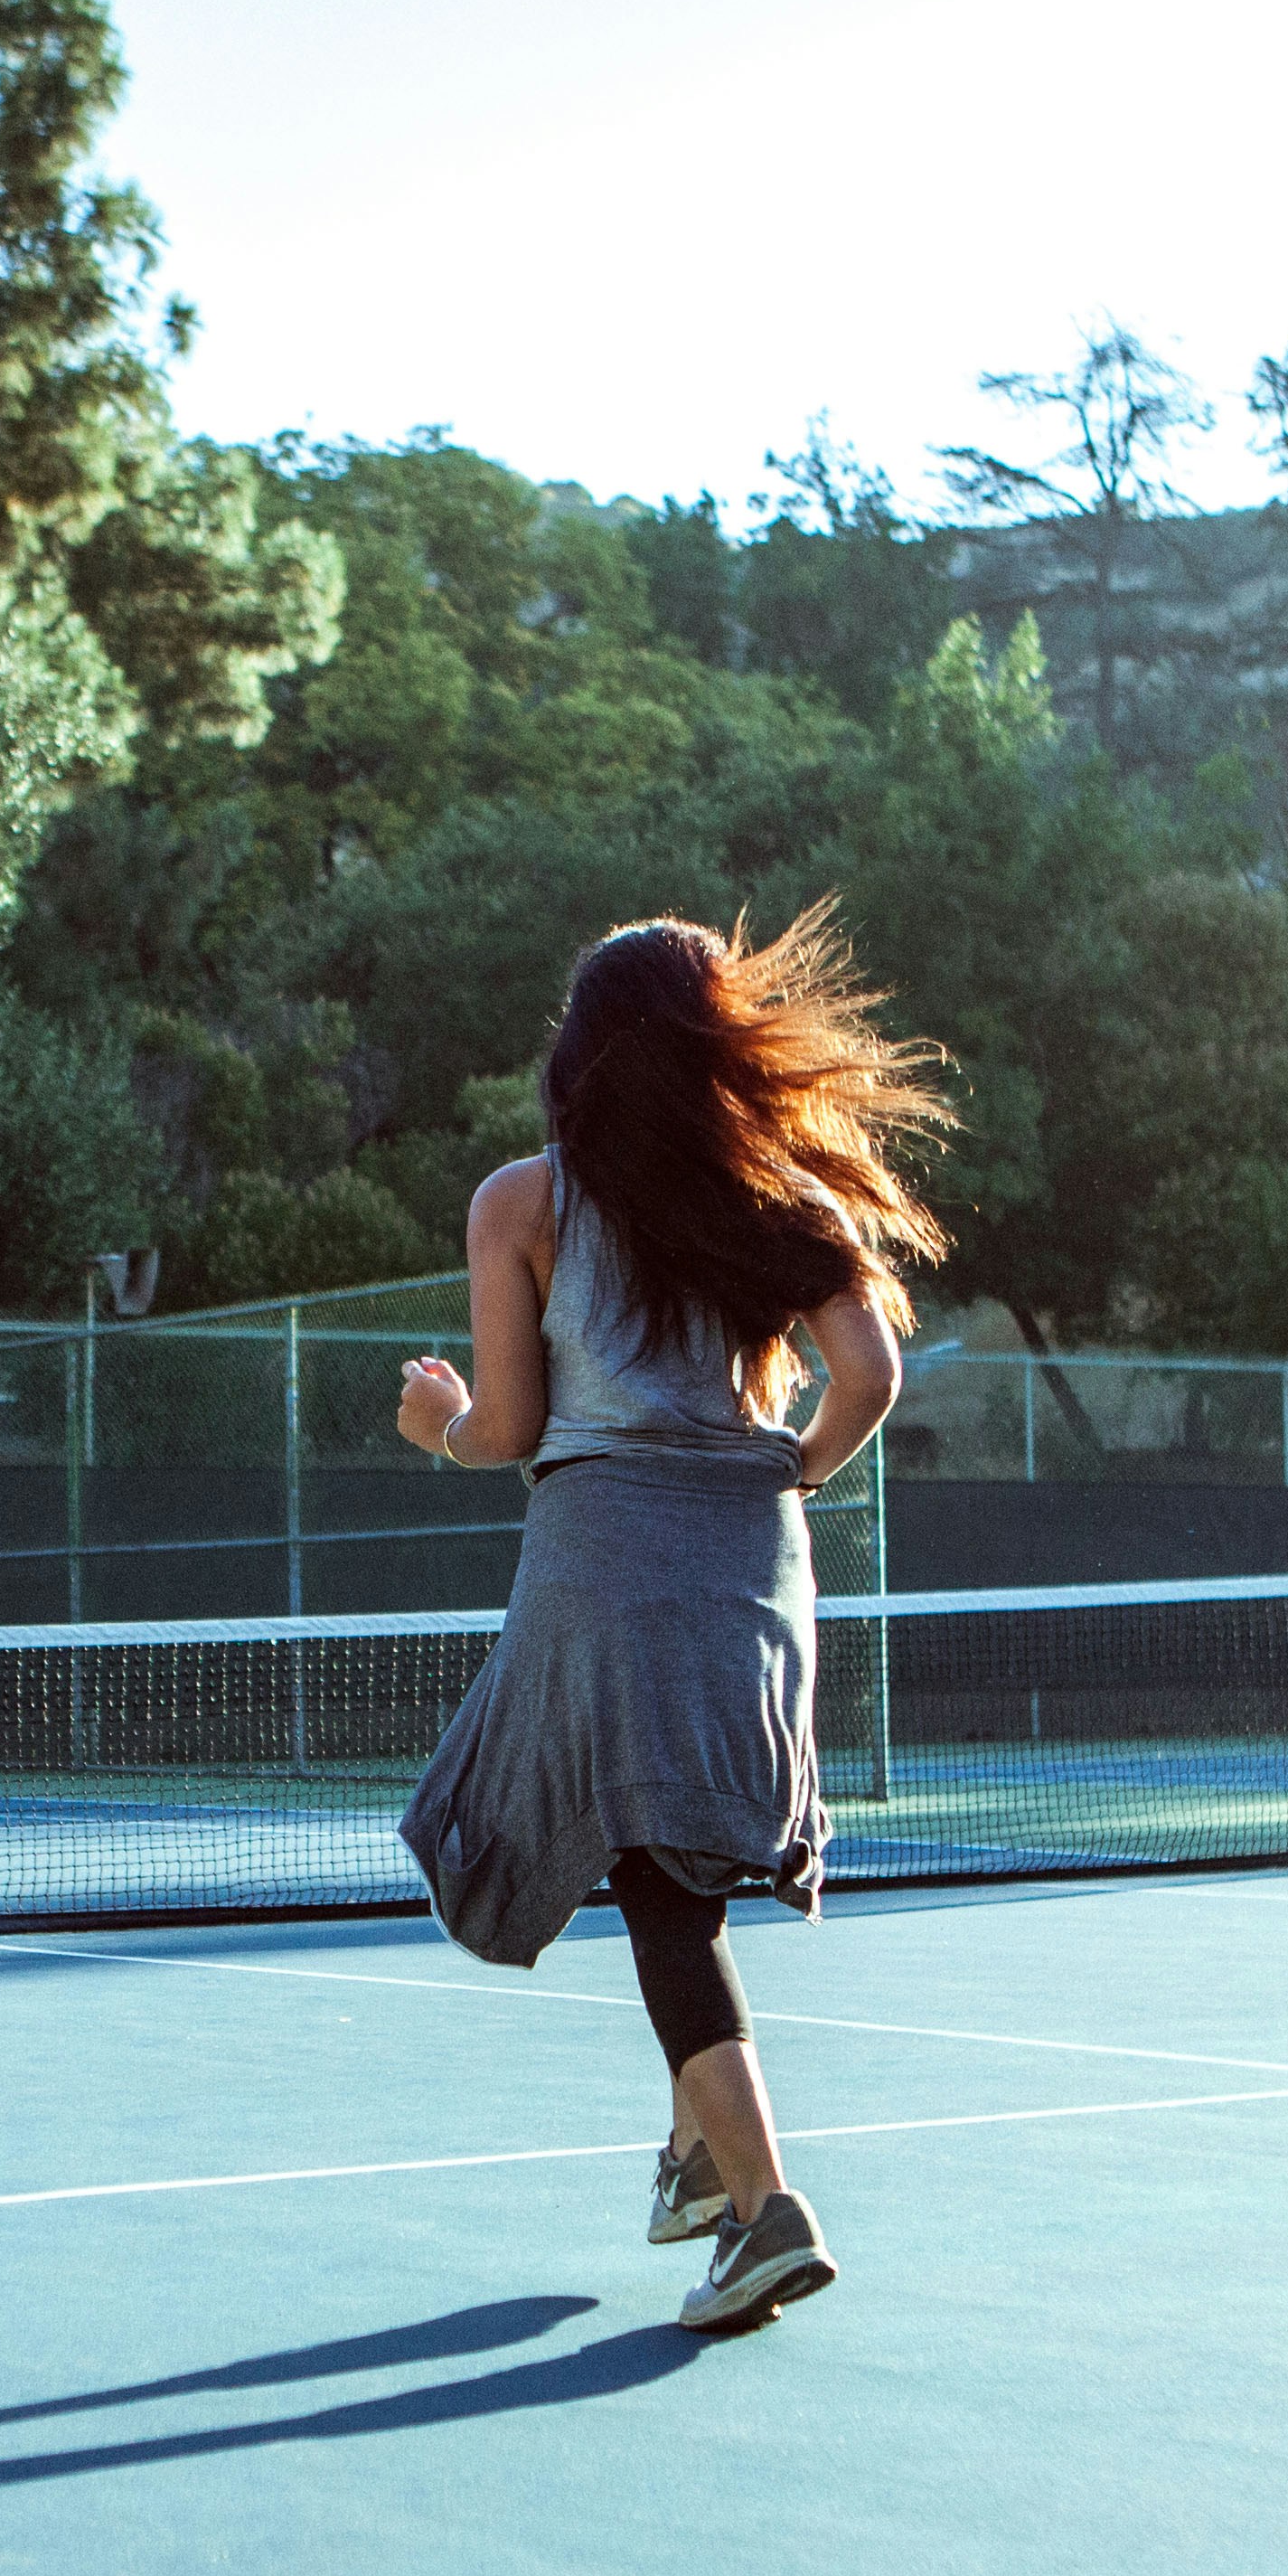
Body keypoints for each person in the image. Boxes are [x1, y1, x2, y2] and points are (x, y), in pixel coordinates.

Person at [391, 905, 949, 2333]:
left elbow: (515, 1424)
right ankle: (705, 2165)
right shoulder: (786, 1199)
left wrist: (444, 1425)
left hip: (600, 1556)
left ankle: (767, 2211)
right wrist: (791, 1474)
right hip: (753, 1554)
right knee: (669, 1875)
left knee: (652, 1885)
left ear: (579, 1054)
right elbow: (870, 1373)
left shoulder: (523, 1203)